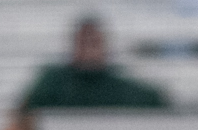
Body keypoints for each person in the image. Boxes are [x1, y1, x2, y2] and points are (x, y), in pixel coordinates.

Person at [20, 17, 170, 111]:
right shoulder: (53, 82)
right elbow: (24, 114)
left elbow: (155, 100)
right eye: (84, 42)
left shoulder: (119, 87)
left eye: (94, 42)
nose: (89, 49)